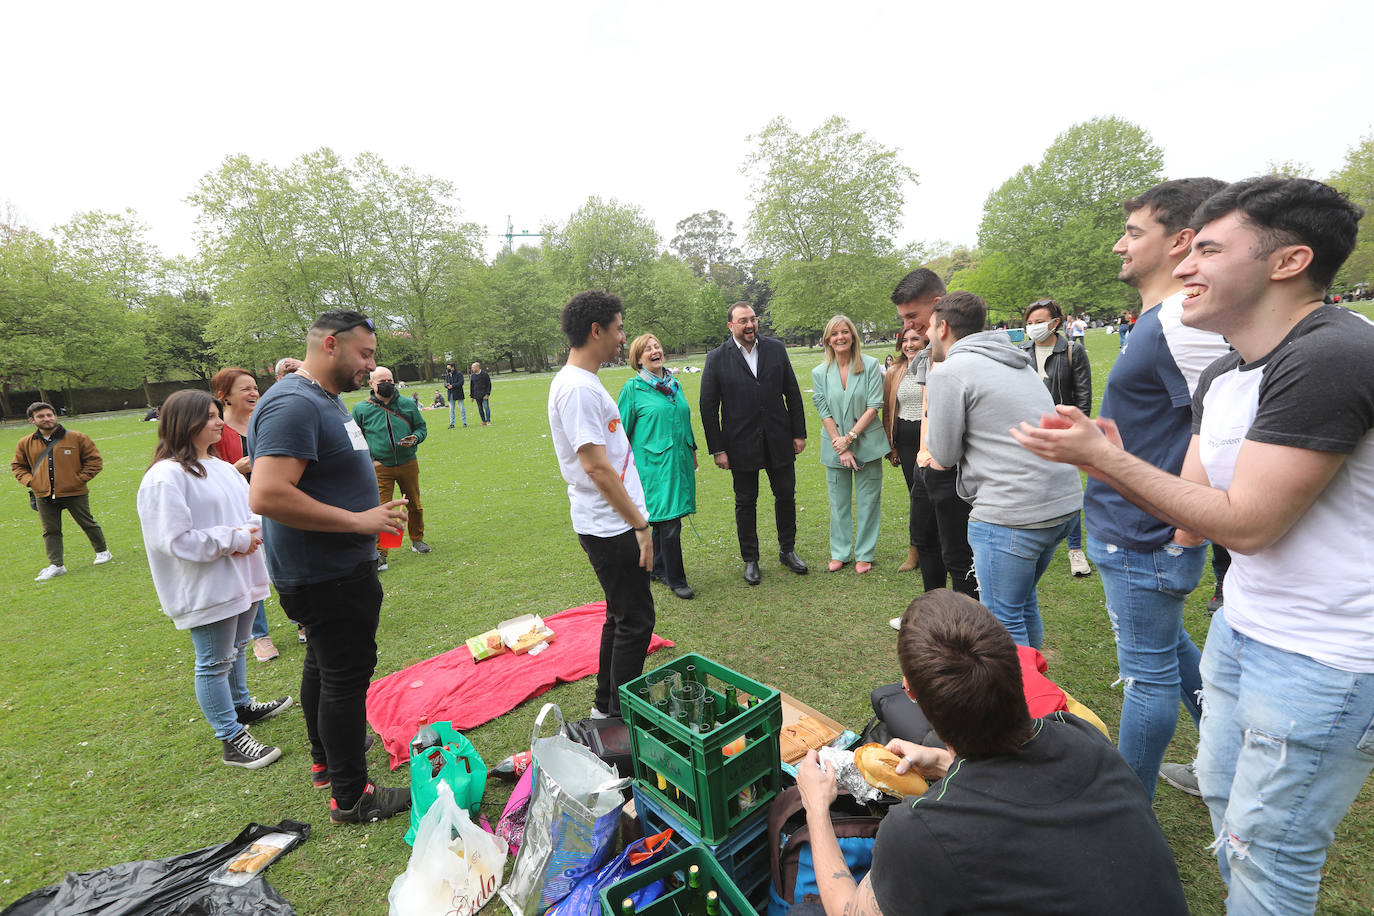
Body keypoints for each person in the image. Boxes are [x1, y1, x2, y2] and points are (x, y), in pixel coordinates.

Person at [1013, 176, 1370, 916]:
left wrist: (1107, 461)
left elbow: (1249, 522)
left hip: (1324, 659)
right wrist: (1108, 455)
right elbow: (1197, 511)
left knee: (1268, 857)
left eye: (1208, 249)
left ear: (1288, 261)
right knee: (1220, 794)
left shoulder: (1333, 355)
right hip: (1243, 629)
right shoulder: (1225, 369)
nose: (1184, 268)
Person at [794, 589, 1188, 916]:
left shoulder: (920, 831)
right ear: (1016, 663)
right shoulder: (1082, 735)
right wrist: (945, 762)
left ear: (909, 691)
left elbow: (849, 910)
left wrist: (816, 805)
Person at [1072, 178, 1232, 800]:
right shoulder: (1164, 320)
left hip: (1146, 534)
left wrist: (1187, 521)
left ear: (1180, 241)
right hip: (1139, 528)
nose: (1120, 245)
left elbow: (1223, 416)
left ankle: (1122, 810)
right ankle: (1224, 760)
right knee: (1171, 650)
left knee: (1146, 679)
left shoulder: (1183, 323)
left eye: (1135, 233)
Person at [248, 309, 411, 826]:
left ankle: (326, 761)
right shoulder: (294, 403)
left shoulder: (324, 399)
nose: (371, 365)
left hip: (335, 568)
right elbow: (267, 493)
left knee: (323, 666)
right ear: (331, 345)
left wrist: (368, 521)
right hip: (326, 574)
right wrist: (359, 520)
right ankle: (351, 795)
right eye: (365, 354)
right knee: (344, 678)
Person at [136, 390, 292, 770]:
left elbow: (251, 509)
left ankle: (241, 705)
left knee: (237, 648)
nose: (219, 422)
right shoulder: (165, 477)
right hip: (206, 585)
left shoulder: (221, 466)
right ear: (183, 422)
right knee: (213, 661)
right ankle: (229, 736)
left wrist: (251, 531)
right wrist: (236, 539)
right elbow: (172, 539)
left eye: (217, 414)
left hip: (241, 576)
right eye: (209, 416)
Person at [924, 292, 1082, 649]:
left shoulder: (949, 371)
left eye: (930, 328)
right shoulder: (1017, 361)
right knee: (1022, 605)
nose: (927, 337)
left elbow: (944, 454)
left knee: (1002, 620)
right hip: (1062, 503)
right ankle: (1038, 696)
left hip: (1012, 513)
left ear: (944, 327)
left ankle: (1021, 703)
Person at [548, 291, 655, 718]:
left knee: (620, 615)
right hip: (610, 526)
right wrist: (640, 526)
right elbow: (596, 466)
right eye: (619, 328)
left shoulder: (584, 383)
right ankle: (618, 717)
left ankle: (606, 707)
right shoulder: (576, 388)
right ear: (597, 331)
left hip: (611, 522)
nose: (622, 337)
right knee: (636, 620)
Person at [699, 302, 809, 585]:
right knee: (745, 502)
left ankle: (787, 550)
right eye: (742, 321)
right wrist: (718, 449)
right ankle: (751, 559)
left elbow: (793, 393)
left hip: (779, 438)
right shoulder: (716, 358)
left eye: (752, 319)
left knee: (786, 495)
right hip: (740, 443)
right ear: (731, 326)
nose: (749, 325)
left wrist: (799, 433)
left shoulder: (775, 349)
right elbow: (708, 408)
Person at [890, 270, 978, 600]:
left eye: (913, 316)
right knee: (925, 541)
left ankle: (964, 628)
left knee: (957, 554)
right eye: (903, 318)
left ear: (938, 306)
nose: (909, 326)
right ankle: (933, 616)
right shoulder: (927, 355)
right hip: (924, 466)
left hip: (954, 469)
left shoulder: (966, 357)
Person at [617, 333, 698, 600]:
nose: (655, 351)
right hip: (652, 466)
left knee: (665, 521)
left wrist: (692, 449)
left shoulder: (674, 384)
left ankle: (657, 567)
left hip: (679, 459)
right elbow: (620, 435)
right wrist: (621, 469)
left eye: (657, 347)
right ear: (638, 359)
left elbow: (684, 418)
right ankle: (677, 579)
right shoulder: (633, 389)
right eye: (647, 349)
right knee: (669, 519)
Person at [1019, 298, 1094, 578]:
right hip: (1030, 429)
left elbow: (1083, 396)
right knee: (1032, 485)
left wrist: (1077, 431)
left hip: (1062, 430)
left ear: (1055, 323)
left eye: (1040, 322)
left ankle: (1075, 550)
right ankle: (1035, 543)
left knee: (1067, 490)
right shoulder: (1021, 351)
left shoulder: (1072, 351)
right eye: (1030, 322)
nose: (1034, 327)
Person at [811, 315, 887, 574]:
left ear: (853, 336)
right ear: (828, 340)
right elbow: (823, 409)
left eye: (845, 332)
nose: (840, 337)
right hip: (834, 447)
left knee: (868, 501)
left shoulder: (870, 365)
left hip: (867, 443)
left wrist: (850, 439)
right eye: (834, 334)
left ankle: (865, 553)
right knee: (838, 503)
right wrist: (840, 444)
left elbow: (875, 405)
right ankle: (840, 552)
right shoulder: (819, 373)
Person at [212, 366, 277, 662]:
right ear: (224, 396)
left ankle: (301, 621)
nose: (253, 393)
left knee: (283, 563)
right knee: (252, 570)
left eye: (255, 387)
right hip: (240, 512)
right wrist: (235, 471)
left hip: (277, 502)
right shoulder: (215, 432)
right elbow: (208, 477)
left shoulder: (264, 422)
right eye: (245, 389)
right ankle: (260, 636)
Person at [12, 401, 112, 582]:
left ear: (55, 416)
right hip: (43, 493)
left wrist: (78, 479)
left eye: (49, 415)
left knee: (87, 522)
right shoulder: (25, 443)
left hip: (75, 491)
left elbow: (94, 461)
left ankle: (103, 552)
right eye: (41, 416)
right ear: (32, 420)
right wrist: (31, 482)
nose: (46, 419)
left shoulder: (77, 437)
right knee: (50, 530)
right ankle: (57, 565)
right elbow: (18, 466)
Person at [352, 366, 431, 569]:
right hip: (380, 467)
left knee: (415, 503)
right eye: (382, 381)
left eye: (390, 380)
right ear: (371, 384)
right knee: (382, 510)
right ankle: (381, 552)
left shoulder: (407, 404)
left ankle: (417, 540)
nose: (387, 384)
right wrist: (371, 460)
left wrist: (415, 438)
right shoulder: (361, 409)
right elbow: (356, 439)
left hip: (407, 462)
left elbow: (421, 428)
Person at [882, 327, 935, 577]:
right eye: (905, 340)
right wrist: (891, 446)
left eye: (915, 339)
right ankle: (915, 551)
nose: (909, 344)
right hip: (905, 440)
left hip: (933, 440)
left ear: (926, 339)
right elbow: (888, 410)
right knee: (916, 497)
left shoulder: (937, 365)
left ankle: (941, 548)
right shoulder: (894, 371)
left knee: (938, 496)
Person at [443, 362, 466, 428]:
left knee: (462, 409)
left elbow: (461, 382)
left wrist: (452, 386)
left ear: (453, 367)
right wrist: (446, 385)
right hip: (450, 394)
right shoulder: (447, 375)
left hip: (458, 393)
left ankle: (464, 422)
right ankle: (452, 424)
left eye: (449, 368)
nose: (448, 369)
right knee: (451, 410)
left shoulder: (459, 374)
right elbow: (445, 383)